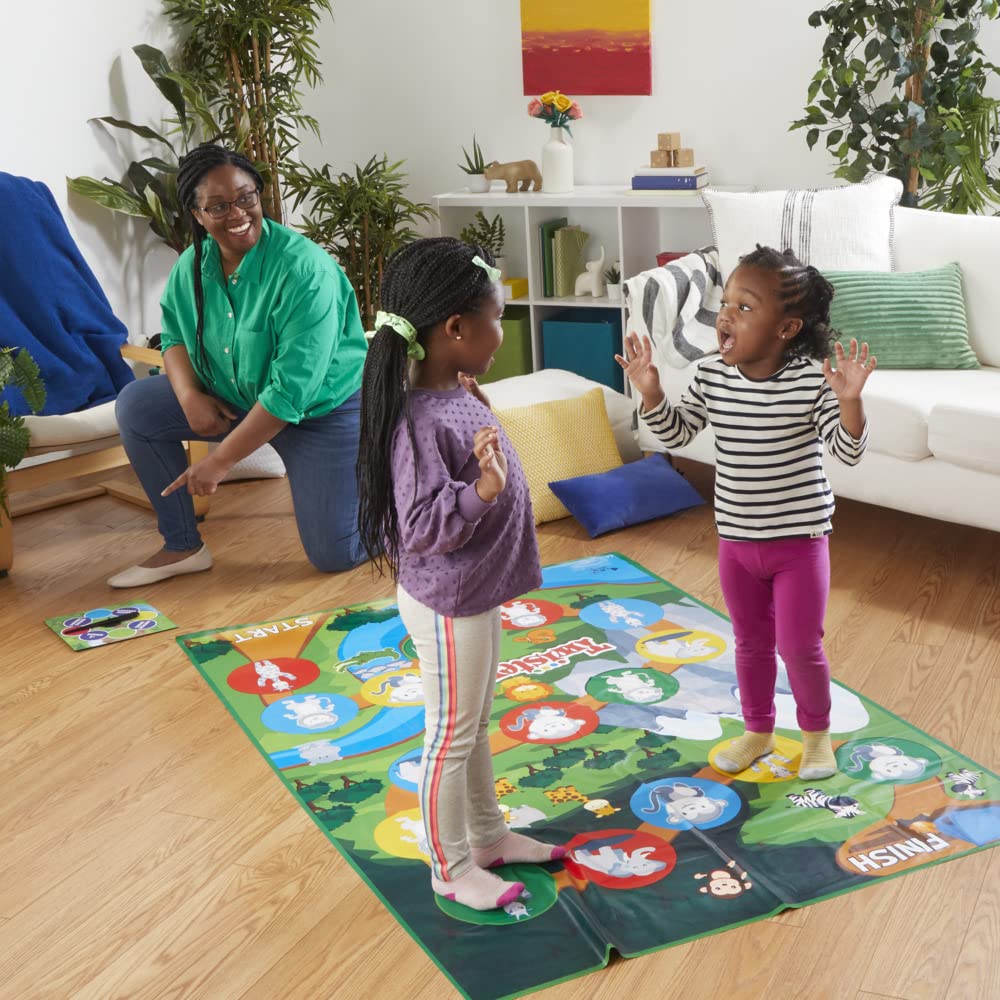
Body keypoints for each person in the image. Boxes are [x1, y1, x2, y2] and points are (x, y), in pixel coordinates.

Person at [357, 236, 566, 910]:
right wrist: (480, 489)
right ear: (454, 330)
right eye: (496, 319)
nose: (501, 334)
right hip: (448, 603)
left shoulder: (451, 390)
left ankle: (487, 837)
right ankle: (449, 867)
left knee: (471, 726)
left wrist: (477, 417)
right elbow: (420, 525)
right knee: (450, 736)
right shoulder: (419, 418)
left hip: (472, 594)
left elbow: (474, 452)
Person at [616, 245, 876, 781]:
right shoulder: (713, 375)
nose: (727, 314)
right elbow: (677, 432)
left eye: (746, 307)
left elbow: (847, 453)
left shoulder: (810, 381)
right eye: (727, 301)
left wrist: (850, 401)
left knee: (800, 646)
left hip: (799, 544)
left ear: (786, 328)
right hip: (736, 542)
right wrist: (652, 392)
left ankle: (816, 736)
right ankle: (757, 732)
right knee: (751, 644)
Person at [107, 144, 368, 587]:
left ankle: (407, 506)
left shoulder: (306, 271)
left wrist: (219, 462)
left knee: (334, 554)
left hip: (320, 415)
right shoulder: (193, 264)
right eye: (218, 206)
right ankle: (182, 545)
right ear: (197, 213)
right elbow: (173, 337)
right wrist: (189, 397)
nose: (237, 213)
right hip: (238, 400)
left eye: (246, 198)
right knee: (138, 405)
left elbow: (289, 394)